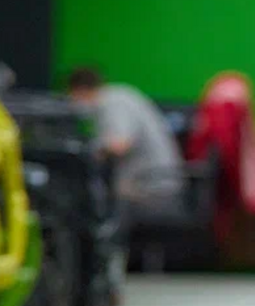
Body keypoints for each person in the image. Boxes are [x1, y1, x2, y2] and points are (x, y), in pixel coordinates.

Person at [65, 67, 184, 214]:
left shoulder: (114, 102)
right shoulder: (117, 96)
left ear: (81, 90)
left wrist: (91, 149)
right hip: (150, 183)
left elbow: (121, 145)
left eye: (72, 96)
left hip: (153, 189)